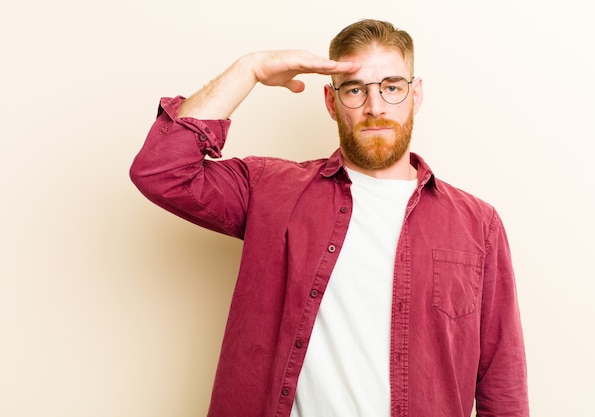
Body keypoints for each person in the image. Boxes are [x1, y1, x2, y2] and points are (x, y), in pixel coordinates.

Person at [130, 19, 529, 417]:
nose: (375, 107)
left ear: (415, 94)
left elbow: (502, 384)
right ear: (330, 100)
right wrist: (248, 68)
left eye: (391, 87)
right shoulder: (271, 189)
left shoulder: (478, 225)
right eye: (356, 90)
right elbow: (161, 172)